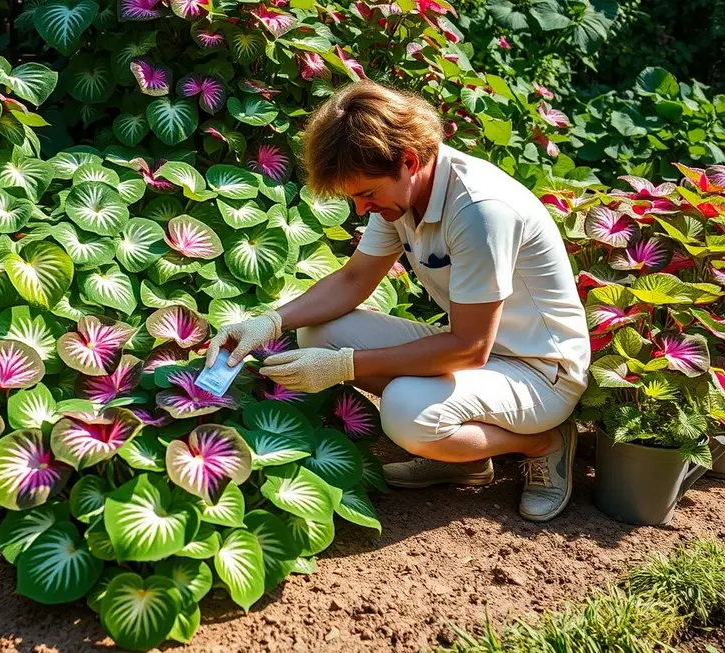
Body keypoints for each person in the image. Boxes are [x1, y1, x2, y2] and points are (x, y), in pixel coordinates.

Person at [205, 79, 591, 522]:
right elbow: (354, 280)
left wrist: (343, 366)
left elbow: (469, 348)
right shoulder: (403, 195)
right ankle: (464, 457)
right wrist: (269, 322)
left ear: (409, 161)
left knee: (407, 413)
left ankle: (543, 442)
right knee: (320, 332)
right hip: (482, 352)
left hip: (539, 372)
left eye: (367, 194)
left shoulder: (480, 211)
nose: (360, 209)